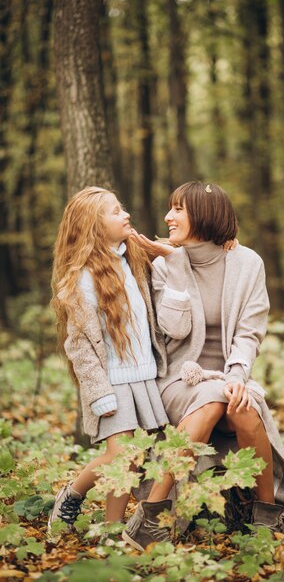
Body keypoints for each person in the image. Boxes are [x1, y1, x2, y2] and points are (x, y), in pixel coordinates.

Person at [122, 181, 284, 551]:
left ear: (205, 214)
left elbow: (249, 331)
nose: (168, 217)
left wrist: (238, 378)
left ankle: (266, 517)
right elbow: (173, 328)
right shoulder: (164, 263)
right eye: (169, 208)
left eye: (178, 209)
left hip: (227, 377)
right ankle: (151, 514)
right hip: (179, 379)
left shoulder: (247, 264)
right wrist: (176, 267)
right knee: (212, 398)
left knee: (244, 410)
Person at [48, 187, 168, 529]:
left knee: (133, 460)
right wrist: (99, 393)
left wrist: (227, 245)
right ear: (94, 227)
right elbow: (80, 346)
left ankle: (113, 529)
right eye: (116, 212)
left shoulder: (134, 261)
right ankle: (72, 495)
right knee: (120, 455)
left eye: (123, 207)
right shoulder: (81, 280)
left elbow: (185, 261)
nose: (126, 214)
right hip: (111, 383)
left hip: (143, 378)